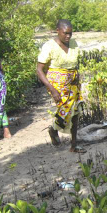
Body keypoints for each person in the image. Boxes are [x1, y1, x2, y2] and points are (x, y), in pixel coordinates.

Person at [36, 19, 85, 153]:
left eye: (70, 33)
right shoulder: (49, 46)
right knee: (65, 109)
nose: (68, 36)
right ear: (57, 31)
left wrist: (77, 79)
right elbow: (39, 70)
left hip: (73, 81)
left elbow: (76, 64)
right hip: (56, 83)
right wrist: (52, 89)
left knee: (75, 111)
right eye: (65, 33)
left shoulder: (74, 44)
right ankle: (53, 129)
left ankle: (74, 145)